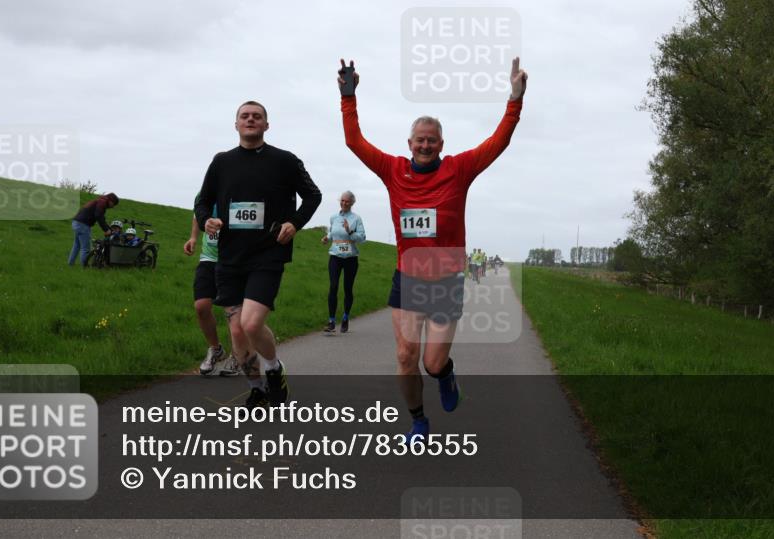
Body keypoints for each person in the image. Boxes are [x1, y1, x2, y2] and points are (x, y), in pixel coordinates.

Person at [338, 56, 527, 441]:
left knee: (432, 361)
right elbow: (354, 141)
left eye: (432, 140)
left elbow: (498, 141)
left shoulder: (459, 169)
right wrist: (348, 96)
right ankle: (419, 420)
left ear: (442, 144)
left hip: (444, 281)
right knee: (406, 358)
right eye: (419, 140)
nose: (425, 145)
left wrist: (515, 99)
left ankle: (445, 373)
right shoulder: (392, 170)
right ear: (409, 144)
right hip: (407, 278)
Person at [196, 101, 322, 409]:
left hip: (268, 254)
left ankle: (274, 369)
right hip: (229, 257)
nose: (250, 120)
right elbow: (203, 201)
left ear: (266, 125)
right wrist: (206, 220)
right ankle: (256, 388)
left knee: (251, 324)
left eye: (257, 116)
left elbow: (313, 195)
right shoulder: (221, 162)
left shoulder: (285, 161)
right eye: (244, 116)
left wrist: (294, 222)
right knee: (237, 331)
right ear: (236, 124)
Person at [184, 194, 241, 376]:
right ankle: (215, 349)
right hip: (208, 258)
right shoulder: (205, 193)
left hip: (232, 260)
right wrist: (193, 238)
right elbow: (197, 215)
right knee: (201, 306)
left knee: (232, 312)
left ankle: (237, 355)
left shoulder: (237, 191)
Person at [320, 190, 366, 334]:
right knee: (333, 287)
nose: (344, 203)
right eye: (342, 200)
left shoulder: (356, 219)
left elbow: (362, 238)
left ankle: (345, 318)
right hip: (335, 256)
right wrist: (327, 238)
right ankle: (331, 321)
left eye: (347, 201)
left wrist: (350, 231)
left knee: (347, 289)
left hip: (350, 259)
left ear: (352, 203)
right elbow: (332, 232)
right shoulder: (333, 217)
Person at [68, 192, 119, 266]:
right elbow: (98, 216)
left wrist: (109, 229)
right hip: (83, 225)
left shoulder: (100, 201)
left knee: (76, 245)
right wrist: (106, 230)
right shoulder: (102, 203)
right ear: (111, 201)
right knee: (85, 249)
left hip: (76, 222)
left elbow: (102, 218)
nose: (113, 206)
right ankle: (85, 267)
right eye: (114, 204)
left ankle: (70, 264)